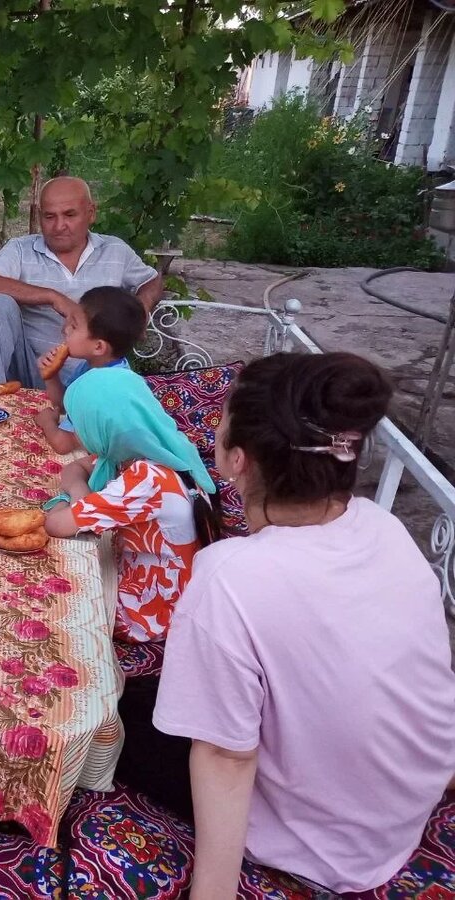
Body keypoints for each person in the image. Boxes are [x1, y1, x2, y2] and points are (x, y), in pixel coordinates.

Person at [149, 352, 455, 897]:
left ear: (236, 460)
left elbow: (225, 755)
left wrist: (211, 891)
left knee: (123, 719)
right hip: (403, 810)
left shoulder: (229, 577)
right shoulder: (383, 526)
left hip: (324, 847)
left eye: (218, 425)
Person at [43, 366, 219, 642]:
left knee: (43, 585)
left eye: (78, 424)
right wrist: (81, 495)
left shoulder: (146, 480)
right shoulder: (162, 447)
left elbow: (55, 524)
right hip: (171, 590)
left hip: (145, 612)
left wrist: (72, 498)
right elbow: (75, 468)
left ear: (102, 425)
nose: (75, 434)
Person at [0, 176, 161, 388]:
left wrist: (141, 310)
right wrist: (52, 297)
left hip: (95, 380)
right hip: (33, 377)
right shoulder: (21, 250)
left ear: (91, 213)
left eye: (70, 215)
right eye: (50, 216)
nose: (59, 226)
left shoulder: (115, 251)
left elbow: (151, 280)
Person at [34, 285, 147, 455]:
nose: (65, 329)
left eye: (74, 326)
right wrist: (51, 376)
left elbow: (64, 444)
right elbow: (65, 406)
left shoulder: (105, 388)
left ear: (98, 346)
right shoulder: (93, 366)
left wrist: (47, 422)